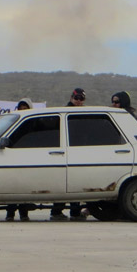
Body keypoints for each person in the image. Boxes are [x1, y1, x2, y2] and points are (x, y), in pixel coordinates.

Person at [51, 88, 87, 221]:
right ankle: (57, 211)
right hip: (65, 151)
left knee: (75, 184)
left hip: (77, 151)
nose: (78, 101)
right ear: (72, 98)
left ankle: (74, 211)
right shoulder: (65, 111)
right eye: (76, 98)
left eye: (81, 99)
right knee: (63, 183)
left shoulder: (84, 113)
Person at [5, 97, 35, 221]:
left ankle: (24, 213)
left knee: (24, 187)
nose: (23, 110)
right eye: (20, 108)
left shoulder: (33, 124)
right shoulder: (14, 123)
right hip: (13, 157)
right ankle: (10, 213)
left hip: (27, 158)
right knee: (12, 187)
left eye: (25, 108)